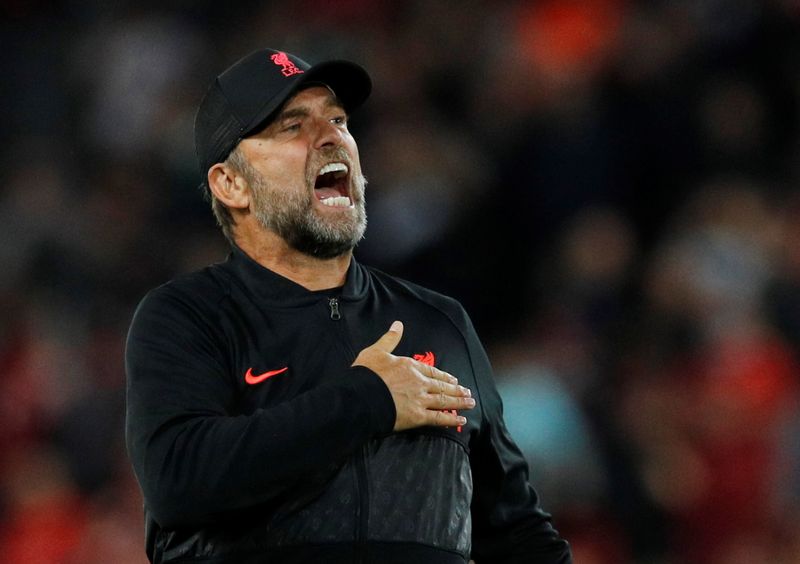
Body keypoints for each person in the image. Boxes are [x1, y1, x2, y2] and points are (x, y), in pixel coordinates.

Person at [125, 47, 572, 564]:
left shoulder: (440, 322)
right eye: (293, 126)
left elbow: (515, 532)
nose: (332, 135)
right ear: (231, 184)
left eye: (337, 119)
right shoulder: (188, 316)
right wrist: (369, 400)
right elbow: (179, 481)